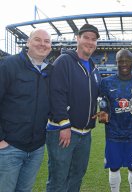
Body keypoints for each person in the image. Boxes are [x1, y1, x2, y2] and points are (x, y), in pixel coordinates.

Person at [46, 24, 101, 192]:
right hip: (64, 131)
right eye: (86, 37)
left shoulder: (94, 68)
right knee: (58, 178)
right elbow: (56, 94)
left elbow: (96, 96)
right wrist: (64, 124)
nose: (90, 42)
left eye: (94, 39)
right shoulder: (64, 61)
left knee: (77, 175)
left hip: (85, 133)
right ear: (77, 38)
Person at [0, 28, 52, 191]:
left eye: (47, 41)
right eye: (37, 39)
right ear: (28, 42)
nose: (42, 44)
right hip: (9, 146)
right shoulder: (9, 65)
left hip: (36, 148)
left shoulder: (50, 71)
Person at [93, 49, 132, 192]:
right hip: (113, 134)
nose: (124, 64)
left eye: (127, 60)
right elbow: (103, 102)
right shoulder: (106, 82)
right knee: (114, 167)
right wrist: (103, 113)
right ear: (116, 62)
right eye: (120, 61)